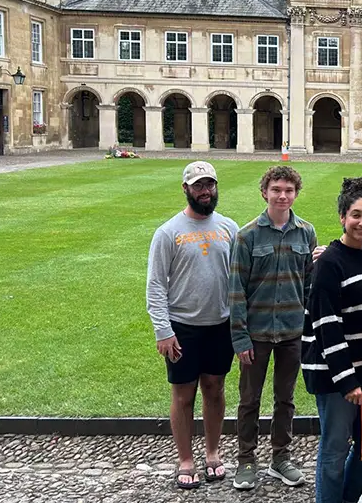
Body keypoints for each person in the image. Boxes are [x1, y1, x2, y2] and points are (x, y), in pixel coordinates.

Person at [145, 161, 239, 490]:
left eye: (210, 184)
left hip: (220, 324)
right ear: (185, 189)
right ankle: (185, 459)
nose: (205, 191)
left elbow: (239, 279)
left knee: (215, 389)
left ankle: (213, 453)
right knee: (183, 396)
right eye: (198, 185)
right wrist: (163, 330)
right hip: (182, 326)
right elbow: (155, 285)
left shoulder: (229, 227)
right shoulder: (168, 232)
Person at [229, 166, 317, 491]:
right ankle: (246, 460)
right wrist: (239, 337)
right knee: (249, 400)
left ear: (296, 194)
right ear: (264, 191)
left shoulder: (306, 233)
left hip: (292, 331)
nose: (282, 195)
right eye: (276, 189)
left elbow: (309, 285)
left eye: (288, 190)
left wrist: (308, 329)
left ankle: (280, 457)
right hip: (257, 334)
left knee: (286, 398)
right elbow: (235, 290)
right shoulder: (247, 235)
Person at [302, 177, 362, 503]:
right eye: (356, 215)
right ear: (342, 217)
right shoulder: (328, 263)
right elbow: (327, 325)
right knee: (335, 450)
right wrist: (347, 380)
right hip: (336, 372)